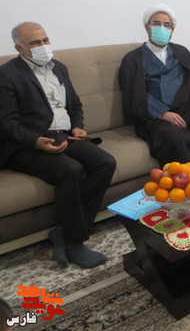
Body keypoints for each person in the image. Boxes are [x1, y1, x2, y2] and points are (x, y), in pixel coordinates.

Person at [0, 22, 115, 268]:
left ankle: (65, 231)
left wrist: (77, 126)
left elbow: (74, 105)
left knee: (105, 162)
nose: (43, 46)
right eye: (35, 43)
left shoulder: (59, 67)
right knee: (70, 169)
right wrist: (35, 142)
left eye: (45, 40)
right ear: (19, 48)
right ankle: (74, 244)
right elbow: (6, 123)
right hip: (25, 145)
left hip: (64, 135)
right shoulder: (7, 74)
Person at [119, 4, 190, 169]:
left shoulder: (180, 51)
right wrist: (162, 113)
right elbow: (134, 95)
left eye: (167, 25)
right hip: (155, 116)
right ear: (147, 27)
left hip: (187, 108)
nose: (162, 28)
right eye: (156, 23)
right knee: (178, 140)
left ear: (172, 30)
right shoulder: (132, 59)